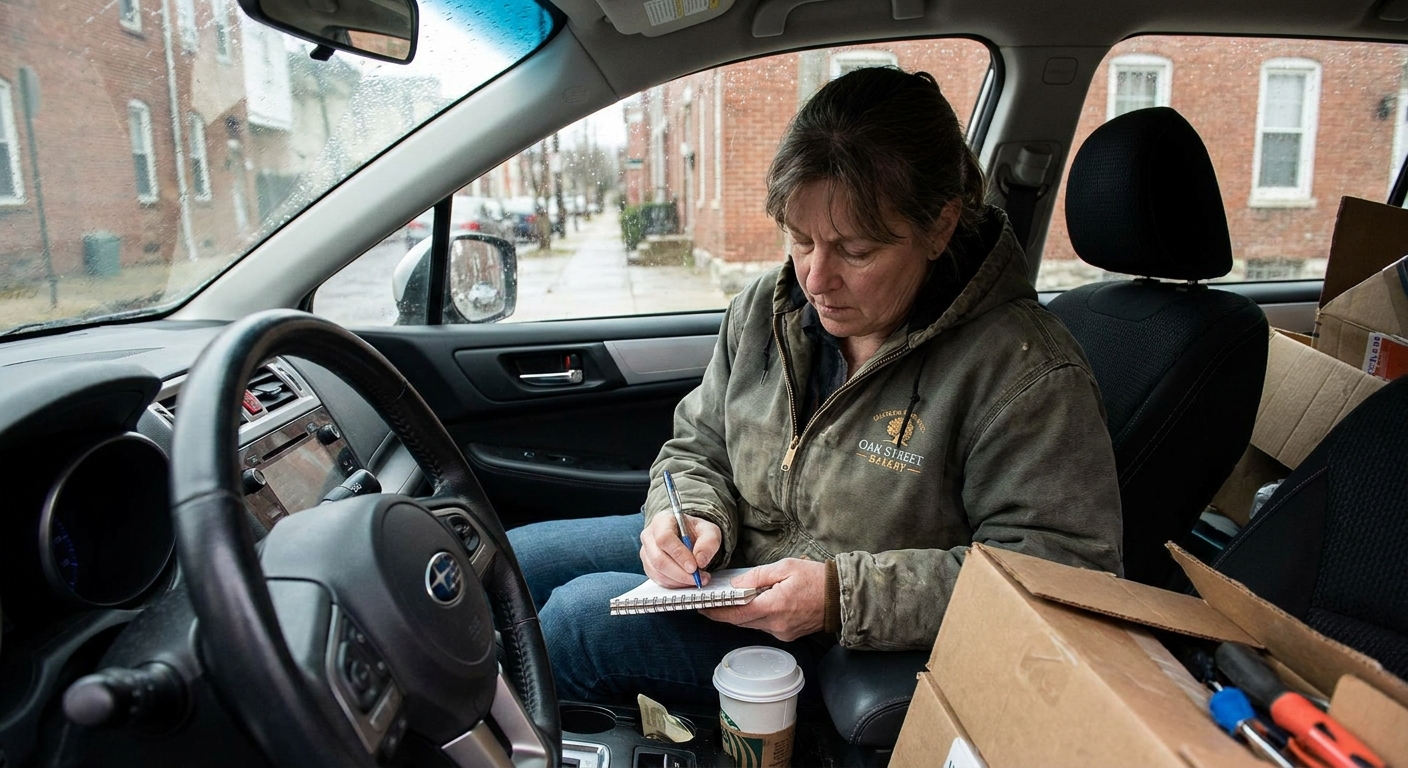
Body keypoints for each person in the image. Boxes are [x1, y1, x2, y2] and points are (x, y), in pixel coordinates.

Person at [507, 66, 1122, 708]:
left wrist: (839, 596)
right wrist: (684, 514)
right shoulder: (764, 312)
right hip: (735, 564)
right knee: (514, 562)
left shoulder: (1026, 373)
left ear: (939, 227)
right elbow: (699, 445)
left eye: (855, 251)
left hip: (845, 645)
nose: (816, 279)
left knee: (572, 627)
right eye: (800, 239)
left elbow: (1060, 577)